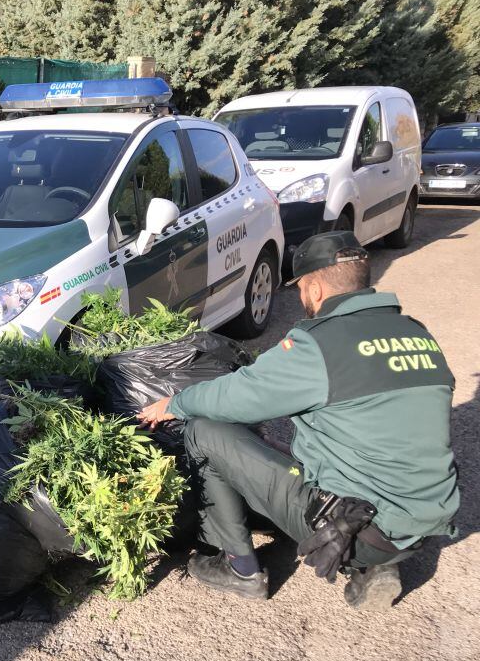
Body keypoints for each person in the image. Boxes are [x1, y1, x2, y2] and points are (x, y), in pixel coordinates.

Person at [138, 231, 459, 610]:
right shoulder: (417, 334)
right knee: (324, 445)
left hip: (351, 525)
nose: (302, 299)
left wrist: (175, 403)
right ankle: (378, 563)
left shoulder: (318, 345)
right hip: (422, 521)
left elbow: (237, 397)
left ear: (316, 289)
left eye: (301, 289)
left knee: (204, 431)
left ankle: (238, 568)